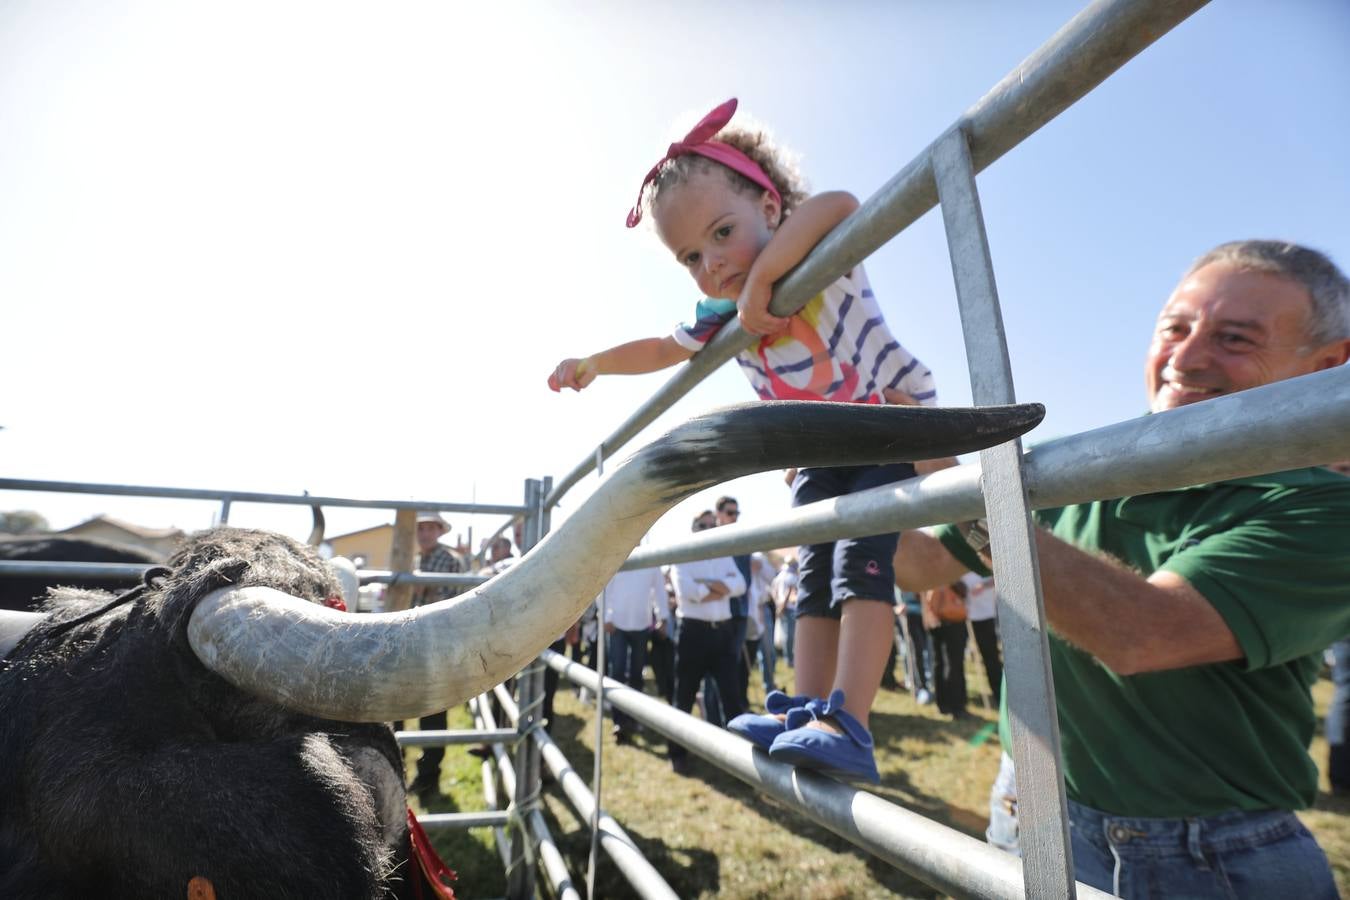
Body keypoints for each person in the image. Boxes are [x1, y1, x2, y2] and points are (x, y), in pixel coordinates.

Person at [895, 240, 1350, 897]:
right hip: (1033, 808)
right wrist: (856, 476)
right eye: (1175, 328)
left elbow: (1141, 633)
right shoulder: (1079, 466)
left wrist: (959, 488)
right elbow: (920, 564)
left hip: (1206, 858)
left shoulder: (1324, 507)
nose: (1187, 359)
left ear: (1327, 366)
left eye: (1233, 338)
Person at [548, 97, 937, 783]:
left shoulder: (816, 254)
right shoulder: (721, 315)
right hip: (821, 451)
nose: (712, 264)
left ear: (768, 203)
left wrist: (765, 278)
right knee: (812, 573)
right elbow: (660, 350)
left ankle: (853, 721)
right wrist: (597, 364)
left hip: (885, 423)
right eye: (691, 257)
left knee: (859, 559)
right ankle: (812, 710)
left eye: (723, 233)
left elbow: (838, 202)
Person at [667, 511, 748, 775]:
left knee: (732, 697)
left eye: (713, 525)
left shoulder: (723, 552)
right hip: (694, 634)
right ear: (693, 527)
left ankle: (740, 760)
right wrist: (720, 588)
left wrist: (707, 588)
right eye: (703, 525)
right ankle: (678, 754)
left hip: (722, 633)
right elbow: (687, 593)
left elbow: (741, 585)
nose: (709, 528)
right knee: (684, 696)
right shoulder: (683, 554)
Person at [407, 511, 465, 799]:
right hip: (409, 645)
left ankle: (429, 776)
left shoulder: (450, 560)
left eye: (430, 528)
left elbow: (452, 607)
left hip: (436, 647)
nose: (425, 533)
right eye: (421, 528)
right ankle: (403, 771)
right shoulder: (413, 560)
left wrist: (424, 590)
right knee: (398, 709)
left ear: (440, 531)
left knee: (432, 712)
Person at [600, 566, 666, 744]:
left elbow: (659, 589)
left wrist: (662, 617)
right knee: (617, 672)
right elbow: (602, 586)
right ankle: (619, 721)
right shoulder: (616, 555)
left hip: (641, 625)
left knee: (637, 674)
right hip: (617, 625)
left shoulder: (650, 559)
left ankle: (633, 718)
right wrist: (605, 617)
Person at [921, 581, 969, 719]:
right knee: (952, 664)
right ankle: (956, 707)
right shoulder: (946, 575)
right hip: (949, 623)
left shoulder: (933, 577)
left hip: (938, 622)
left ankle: (944, 704)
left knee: (942, 664)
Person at [964, 573, 1002, 706]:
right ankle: (962, 698)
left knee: (991, 658)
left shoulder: (985, 559)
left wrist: (984, 585)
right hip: (962, 614)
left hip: (986, 616)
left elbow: (999, 576)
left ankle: (999, 695)